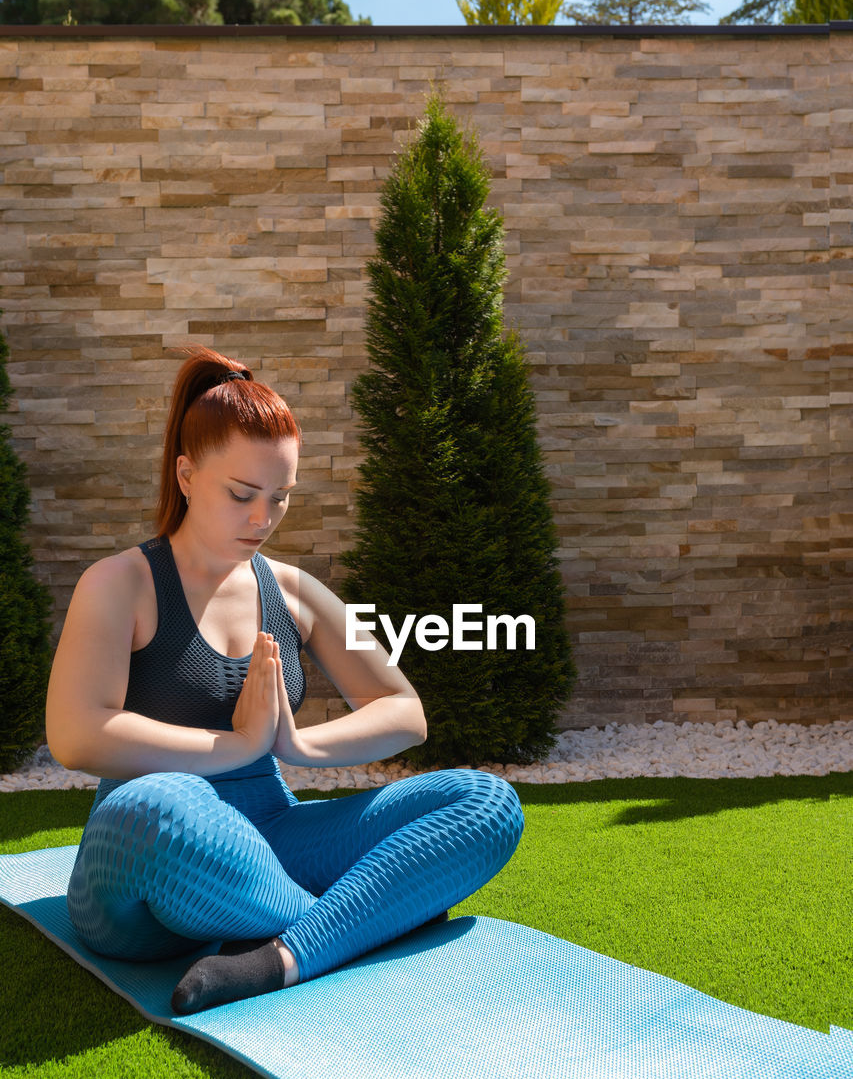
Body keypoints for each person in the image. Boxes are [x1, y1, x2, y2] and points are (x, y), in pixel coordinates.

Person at [45, 346, 525, 1015]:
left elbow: (402, 709)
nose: (262, 519)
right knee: (161, 808)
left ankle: (284, 955)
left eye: (279, 498)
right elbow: (76, 733)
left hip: (271, 833)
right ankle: (359, 919)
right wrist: (237, 746)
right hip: (147, 864)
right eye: (241, 494)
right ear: (186, 475)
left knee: (483, 803)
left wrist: (296, 745)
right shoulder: (120, 583)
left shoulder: (294, 590)